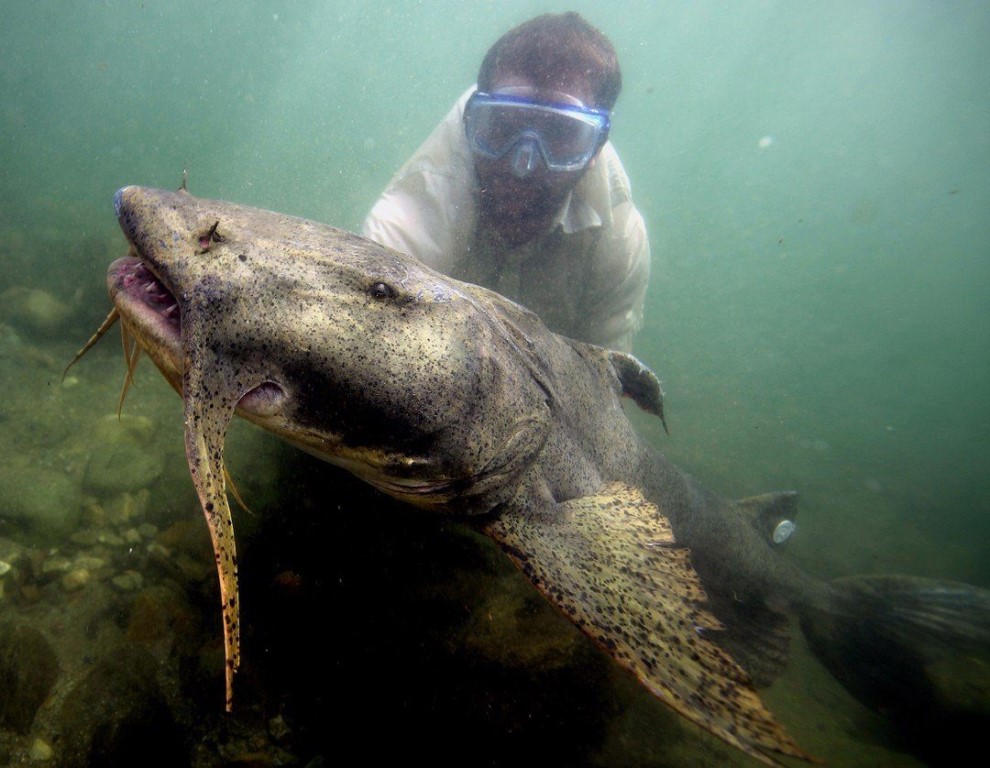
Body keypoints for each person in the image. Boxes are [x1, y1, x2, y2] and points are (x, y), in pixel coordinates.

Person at [362, 12, 650, 353]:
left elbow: (606, 380)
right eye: (502, 126)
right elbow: (371, 347)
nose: (523, 166)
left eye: (559, 134)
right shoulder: (416, 207)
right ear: (472, 123)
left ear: (595, 148)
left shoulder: (618, 238)